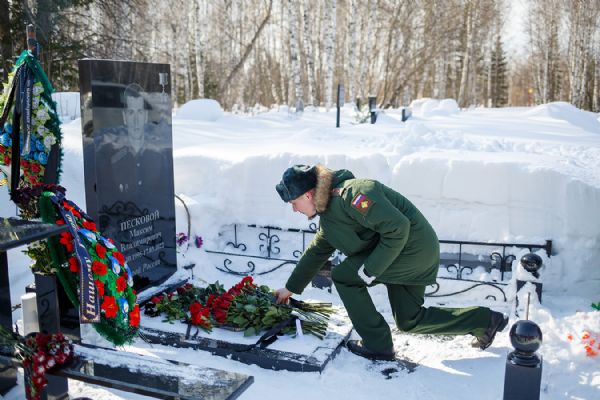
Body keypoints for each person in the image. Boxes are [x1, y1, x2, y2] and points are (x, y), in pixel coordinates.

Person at [274, 164, 508, 361]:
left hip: (412, 250)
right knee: (409, 320)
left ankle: (377, 345)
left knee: (344, 276)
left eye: (293, 202)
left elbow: (398, 227)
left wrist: (370, 269)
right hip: (401, 254)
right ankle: (485, 321)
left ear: (307, 195)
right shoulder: (329, 216)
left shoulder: (353, 194)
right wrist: (290, 288)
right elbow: (317, 251)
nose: (294, 209)